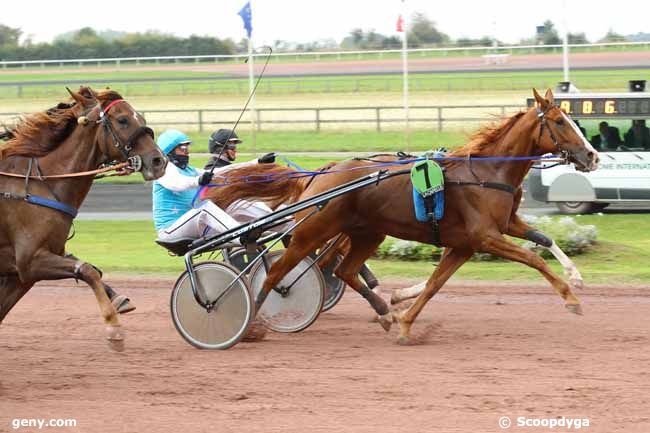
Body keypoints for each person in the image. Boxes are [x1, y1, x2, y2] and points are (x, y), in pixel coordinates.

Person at [153, 129, 243, 243]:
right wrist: (198, 181)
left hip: (191, 225)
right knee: (205, 208)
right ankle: (240, 237)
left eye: (187, 148)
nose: (187, 152)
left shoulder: (189, 170)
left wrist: (255, 163)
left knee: (234, 206)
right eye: (183, 148)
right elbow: (177, 184)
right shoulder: (163, 170)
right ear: (169, 150)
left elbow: (219, 172)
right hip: (170, 231)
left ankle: (258, 229)